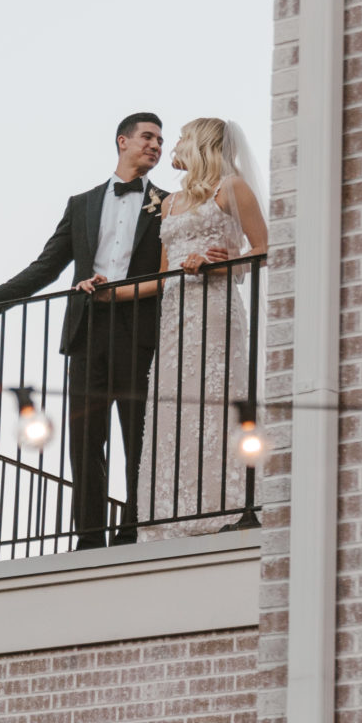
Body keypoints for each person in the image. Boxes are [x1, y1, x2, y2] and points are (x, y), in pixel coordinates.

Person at [0, 113, 170, 548]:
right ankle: (89, 537)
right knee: (85, 439)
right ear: (122, 141)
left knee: (139, 435)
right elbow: (46, 266)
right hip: (86, 330)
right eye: (148, 137)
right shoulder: (81, 204)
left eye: (161, 140)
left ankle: (134, 530)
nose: (156, 146)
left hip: (141, 330)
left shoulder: (169, 203)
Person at [114, 118, 268, 538]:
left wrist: (225, 262)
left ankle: (225, 507)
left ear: (201, 144)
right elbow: (164, 275)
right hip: (174, 318)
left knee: (215, 399)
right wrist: (111, 294)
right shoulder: (169, 204)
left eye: (179, 137)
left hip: (215, 309)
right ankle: (171, 514)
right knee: (172, 405)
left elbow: (265, 247)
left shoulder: (231, 189)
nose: (172, 145)